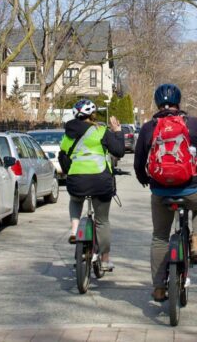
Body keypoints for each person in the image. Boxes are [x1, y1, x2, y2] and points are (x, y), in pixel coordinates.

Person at [133, 84, 197, 303]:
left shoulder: (148, 128)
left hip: (161, 191)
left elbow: (138, 163)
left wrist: (146, 180)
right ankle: (195, 240)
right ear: (178, 102)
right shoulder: (192, 124)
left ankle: (158, 288)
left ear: (156, 103)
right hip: (191, 188)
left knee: (160, 237)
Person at [60, 99, 125, 271]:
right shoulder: (101, 131)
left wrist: (70, 171)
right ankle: (104, 259)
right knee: (102, 220)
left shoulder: (68, 134)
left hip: (77, 181)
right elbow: (119, 151)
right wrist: (118, 132)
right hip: (100, 181)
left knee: (75, 200)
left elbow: (63, 156)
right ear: (93, 115)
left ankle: (74, 230)